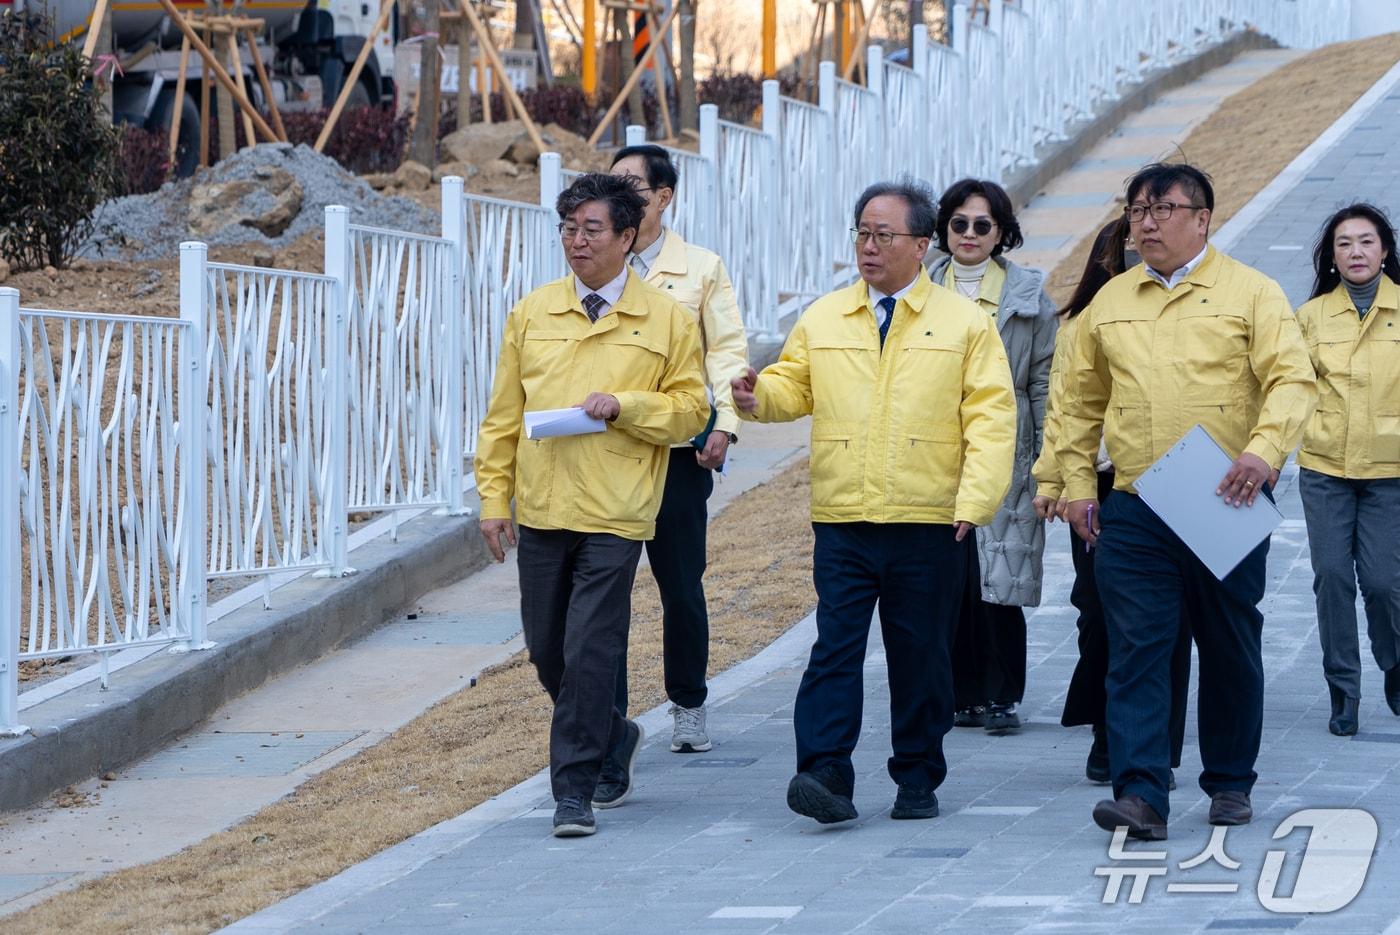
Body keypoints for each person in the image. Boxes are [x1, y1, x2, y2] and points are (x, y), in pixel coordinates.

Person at [731, 178, 1015, 824]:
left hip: (929, 519)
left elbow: (992, 419)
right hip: (845, 516)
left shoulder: (964, 323)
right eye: (862, 232)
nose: (868, 246)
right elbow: (792, 387)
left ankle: (917, 773)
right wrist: (757, 397)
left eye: (884, 235)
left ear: (922, 244)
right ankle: (825, 771)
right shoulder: (827, 315)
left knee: (921, 654)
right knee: (835, 646)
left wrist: (975, 499)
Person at [1057, 163, 1315, 840]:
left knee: (1228, 642)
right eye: (1137, 208)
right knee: (1137, 645)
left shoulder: (1250, 293)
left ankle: (1230, 779)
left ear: (1202, 218)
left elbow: (1292, 378)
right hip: (1137, 501)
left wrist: (1262, 452)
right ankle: (1141, 792)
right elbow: (1077, 402)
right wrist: (1077, 486)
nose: (1146, 221)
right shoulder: (1110, 302)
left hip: (1223, 493)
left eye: (1162, 208)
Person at [474, 173, 708, 838]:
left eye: (591, 229)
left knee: (590, 649)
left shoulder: (665, 318)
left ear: (627, 237)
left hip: (617, 507)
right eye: (569, 228)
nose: (577, 241)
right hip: (544, 507)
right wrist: (495, 499)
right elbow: (502, 417)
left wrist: (627, 406)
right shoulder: (534, 311)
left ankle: (572, 792)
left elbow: (692, 410)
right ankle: (614, 733)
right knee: (548, 651)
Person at [1032, 218, 1191, 785]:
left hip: (1175, 481)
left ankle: (1149, 751)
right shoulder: (1084, 324)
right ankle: (1107, 726)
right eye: (1123, 250)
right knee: (1100, 612)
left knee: (1170, 625)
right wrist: (1053, 481)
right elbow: (1064, 409)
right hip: (1098, 488)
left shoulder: (1185, 316)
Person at [608, 144, 749, 754]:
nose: (620, 198)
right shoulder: (597, 262)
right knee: (603, 591)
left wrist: (724, 425)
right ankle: (609, 723)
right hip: (607, 452)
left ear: (664, 197)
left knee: (681, 587)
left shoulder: (701, 267)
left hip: (678, 452)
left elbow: (726, 352)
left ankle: (688, 702)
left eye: (633, 188)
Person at [928, 178, 1056, 736]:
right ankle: (958, 694)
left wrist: (1048, 460)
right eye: (960, 223)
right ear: (943, 229)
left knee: (1001, 580)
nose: (970, 234)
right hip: (933, 452)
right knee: (948, 580)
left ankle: (1003, 695)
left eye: (984, 225)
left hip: (1009, 452)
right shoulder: (918, 287)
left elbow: (1044, 382)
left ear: (1002, 233)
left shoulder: (1029, 296)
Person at [1295, 203, 1400, 737]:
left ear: (1385, 250)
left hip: (1391, 471)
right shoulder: (1310, 318)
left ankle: (1395, 662)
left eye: (1366, 241)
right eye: (1344, 243)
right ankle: (1344, 690)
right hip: (1325, 467)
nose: (1355, 252)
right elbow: (1287, 387)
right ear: (1331, 257)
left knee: (1384, 583)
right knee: (1332, 579)